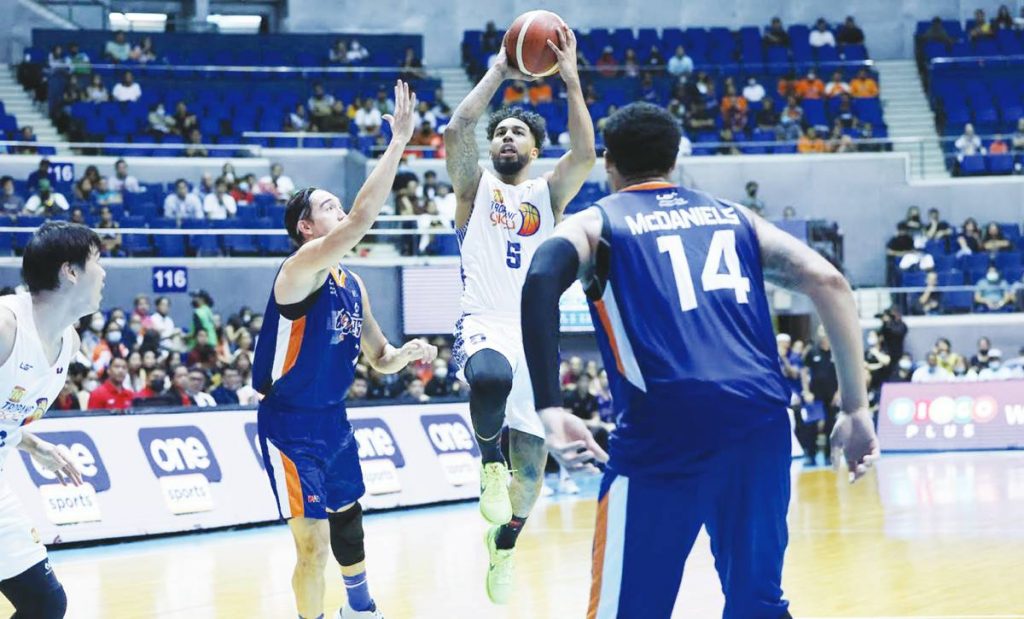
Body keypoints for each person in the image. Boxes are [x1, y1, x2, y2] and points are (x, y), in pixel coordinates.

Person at [519, 102, 878, 618]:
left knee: (631, 608)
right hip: (760, 424)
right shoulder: (735, 217)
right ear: (674, 159)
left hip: (664, 428)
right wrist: (856, 408)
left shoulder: (598, 221)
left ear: (608, 164)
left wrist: (550, 407)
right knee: (757, 602)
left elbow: (540, 278)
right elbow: (830, 282)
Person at [252, 80, 436, 619]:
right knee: (312, 546)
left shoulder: (353, 284)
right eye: (328, 206)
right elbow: (361, 221)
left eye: (338, 204)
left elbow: (379, 357)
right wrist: (399, 141)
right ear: (307, 228)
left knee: (348, 518)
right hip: (289, 426)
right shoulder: (297, 271)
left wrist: (405, 353)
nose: (340, 211)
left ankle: (360, 608)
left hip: (334, 420)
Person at [442, 25, 595, 605]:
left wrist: (571, 80)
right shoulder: (473, 190)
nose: (505, 137)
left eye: (517, 133)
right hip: (483, 318)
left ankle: (504, 549)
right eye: (501, 131)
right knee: (488, 378)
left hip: (537, 334)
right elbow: (457, 129)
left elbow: (584, 153)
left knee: (529, 481)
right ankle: (487, 463)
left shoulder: (547, 197)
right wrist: (500, 73)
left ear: (533, 151)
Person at [0, 222, 105, 617]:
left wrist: (34, 443)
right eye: (97, 261)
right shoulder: (6, 326)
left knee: (45, 604)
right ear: (71, 271)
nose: (105, 272)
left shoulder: (68, 343)